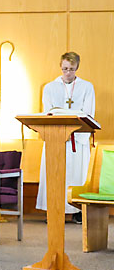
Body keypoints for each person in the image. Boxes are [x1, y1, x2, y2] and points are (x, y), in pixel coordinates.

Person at [37, 51, 95, 223]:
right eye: (64, 69)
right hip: (56, 138)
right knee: (55, 175)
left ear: (77, 67)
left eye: (71, 69)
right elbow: (48, 112)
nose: (67, 73)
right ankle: (53, 210)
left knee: (78, 175)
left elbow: (88, 113)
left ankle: (78, 211)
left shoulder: (86, 87)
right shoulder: (50, 87)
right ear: (60, 67)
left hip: (78, 139)